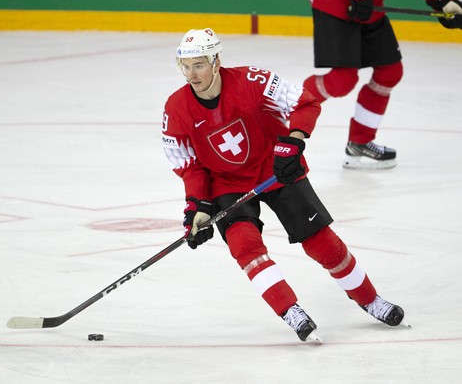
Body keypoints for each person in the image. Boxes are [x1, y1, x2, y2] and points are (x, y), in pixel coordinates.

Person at [161, 28, 406, 342]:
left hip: (273, 167)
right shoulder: (175, 108)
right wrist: (197, 206)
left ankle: (370, 299)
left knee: (320, 241)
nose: (191, 74)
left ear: (216, 61)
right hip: (225, 182)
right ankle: (290, 310)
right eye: (185, 66)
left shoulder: (253, 80)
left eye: (198, 65)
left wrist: (294, 141)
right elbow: (188, 164)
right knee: (245, 247)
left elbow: (306, 104)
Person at [303, 0, 462, 170]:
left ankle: (360, 142)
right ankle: (280, 108)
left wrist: (443, 0)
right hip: (336, 4)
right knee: (342, 80)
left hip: (371, 8)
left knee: (390, 72)